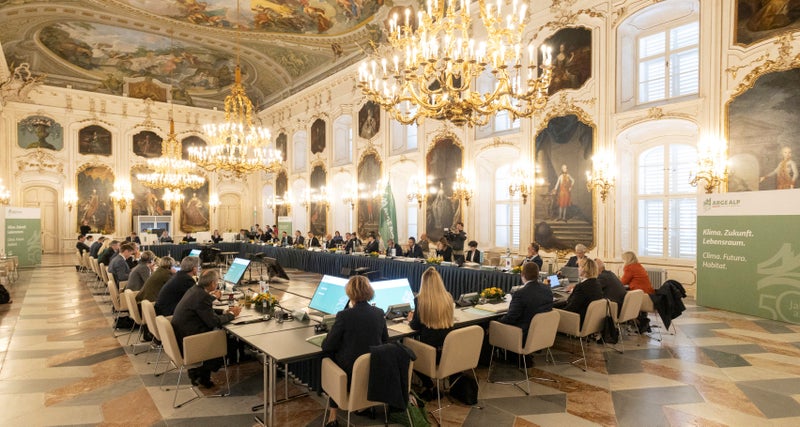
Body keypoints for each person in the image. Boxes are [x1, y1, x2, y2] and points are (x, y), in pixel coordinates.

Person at [321, 275, 388, 427]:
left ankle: (332, 416)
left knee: (329, 356)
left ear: (350, 293)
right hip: (374, 372)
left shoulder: (344, 315)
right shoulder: (379, 312)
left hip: (349, 376)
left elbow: (328, 345)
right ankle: (363, 406)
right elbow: (385, 341)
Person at [171, 269, 241, 388]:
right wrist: (232, 315)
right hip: (191, 339)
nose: (217, 284)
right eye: (217, 281)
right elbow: (213, 322)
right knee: (230, 341)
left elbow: (203, 311)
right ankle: (201, 372)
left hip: (183, 334)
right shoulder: (202, 296)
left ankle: (200, 372)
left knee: (226, 337)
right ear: (213, 283)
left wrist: (223, 311)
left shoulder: (194, 290)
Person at [407, 268, 454, 394]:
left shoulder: (420, 300)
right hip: (448, 353)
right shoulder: (448, 297)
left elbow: (415, 326)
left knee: (407, 351)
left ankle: (428, 383)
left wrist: (411, 319)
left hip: (429, 355)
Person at [499, 262, 553, 340]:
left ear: (522, 275)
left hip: (522, 335)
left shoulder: (520, 294)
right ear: (538, 274)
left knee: (489, 325)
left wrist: (496, 321)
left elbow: (510, 318)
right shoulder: (547, 289)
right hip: (542, 333)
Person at [556, 258, 604, 326]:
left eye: (579, 267)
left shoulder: (582, 287)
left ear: (584, 269)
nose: (578, 269)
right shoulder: (596, 283)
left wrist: (555, 310)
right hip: (591, 322)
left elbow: (571, 308)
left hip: (577, 321)